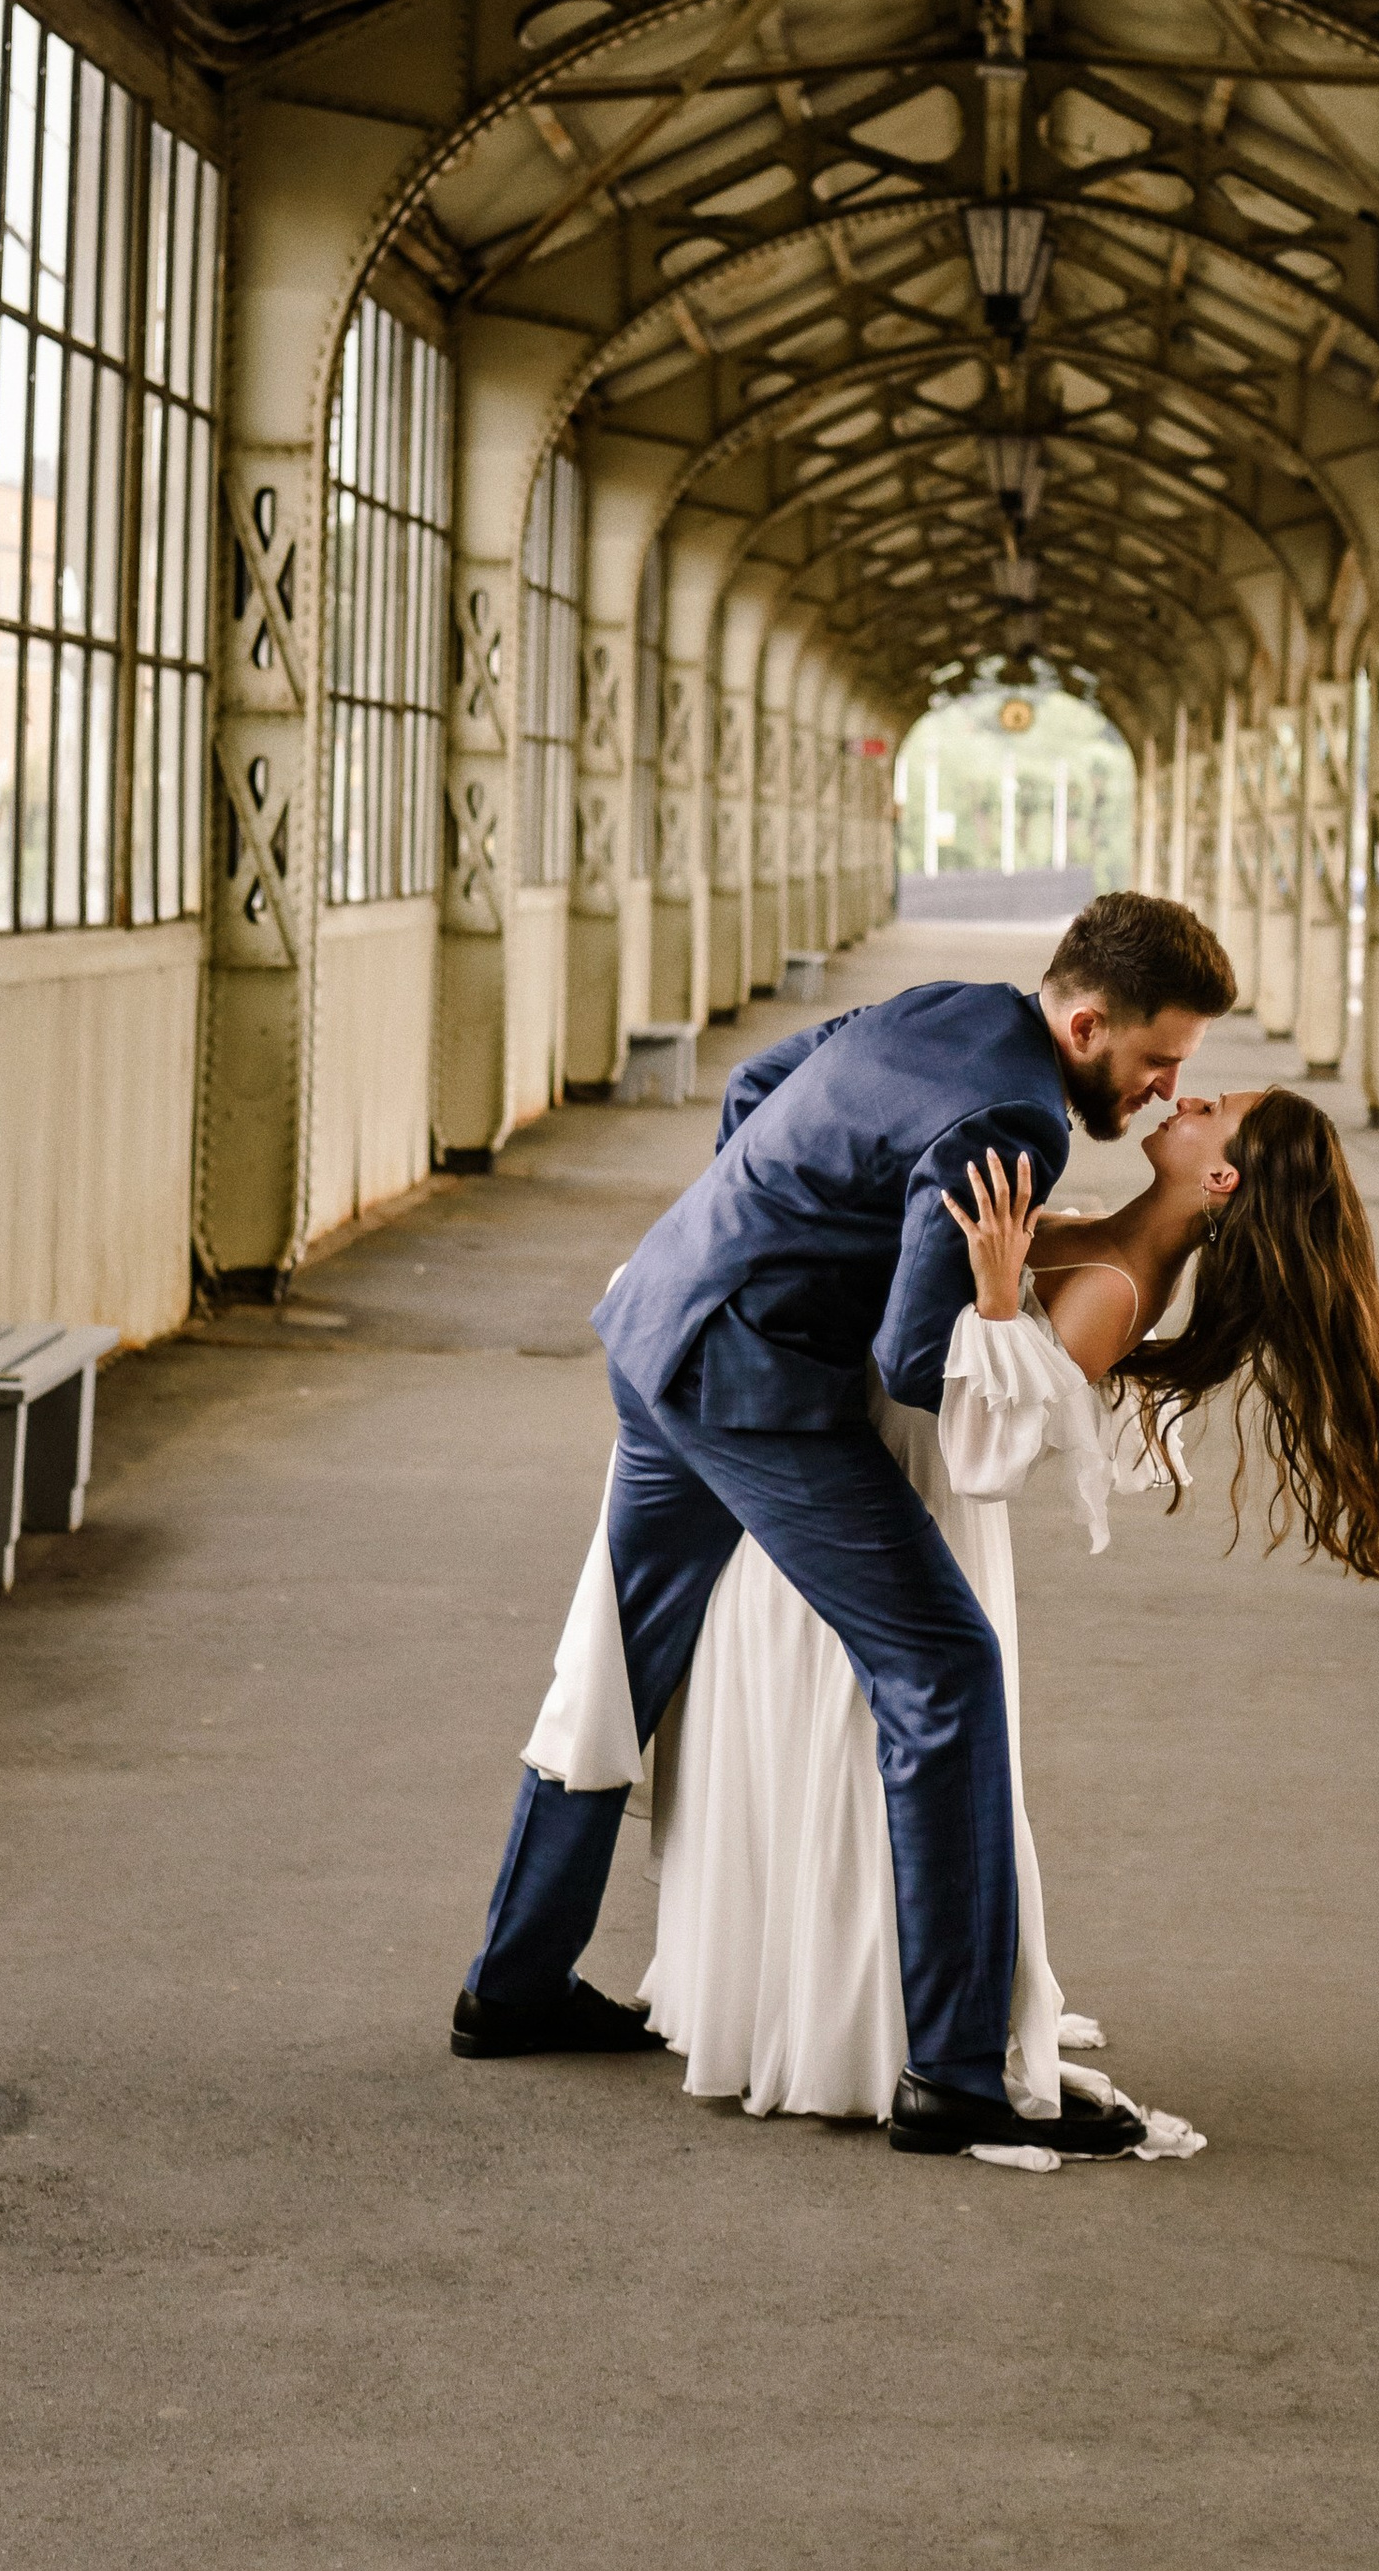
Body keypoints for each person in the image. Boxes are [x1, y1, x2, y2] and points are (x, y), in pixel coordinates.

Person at [452, 893, 1239, 2161]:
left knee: (616, 1660)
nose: (1160, 1089)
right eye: (1158, 1060)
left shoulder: (957, 1008)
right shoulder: (1021, 1120)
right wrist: (942, 1298)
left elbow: (761, 1081)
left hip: (663, 1313)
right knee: (943, 1665)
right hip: (752, 1391)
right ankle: (954, 2071)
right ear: (1087, 1022)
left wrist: (761, 1227)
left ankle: (511, 1985)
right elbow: (910, 1356)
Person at [627, 1081, 1379, 2140]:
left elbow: (986, 1454)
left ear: (1218, 1178)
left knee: (843, 1733)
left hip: (910, 1485)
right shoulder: (1110, 1235)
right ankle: (840, 1998)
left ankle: (857, 2019)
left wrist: (992, 1295)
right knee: (820, 1732)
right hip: (855, 1451)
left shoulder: (1116, 1285)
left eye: (1214, 1107)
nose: (1188, 1094)